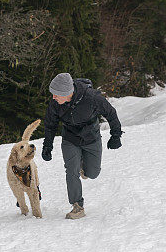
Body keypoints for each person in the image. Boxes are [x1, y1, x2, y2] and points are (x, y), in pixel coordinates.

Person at [41, 73, 122, 219]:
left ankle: (84, 166)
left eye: (56, 94)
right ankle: (77, 206)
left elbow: (111, 113)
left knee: (93, 173)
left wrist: (115, 135)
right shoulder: (55, 104)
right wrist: (47, 146)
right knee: (71, 170)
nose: (53, 97)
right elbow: (50, 125)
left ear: (67, 93)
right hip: (70, 138)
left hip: (91, 138)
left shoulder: (92, 97)